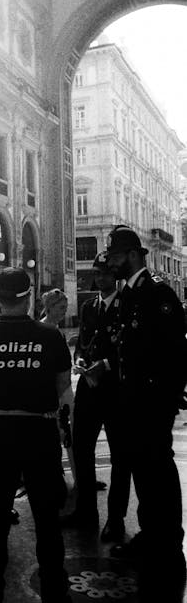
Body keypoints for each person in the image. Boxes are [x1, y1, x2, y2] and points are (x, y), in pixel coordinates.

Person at [0, 267, 72, 603]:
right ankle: (55, 589)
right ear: (29, 297)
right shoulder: (51, 337)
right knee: (46, 515)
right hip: (40, 432)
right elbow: (62, 388)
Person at [104, 225, 187, 602]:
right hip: (132, 404)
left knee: (159, 471)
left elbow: (174, 354)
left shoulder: (158, 294)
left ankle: (169, 545)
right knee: (142, 470)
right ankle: (150, 535)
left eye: (116, 256)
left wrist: (166, 401)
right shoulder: (130, 295)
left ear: (134, 255)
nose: (111, 262)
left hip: (152, 405)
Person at [61, 251, 131, 541]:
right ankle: (86, 511)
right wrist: (79, 360)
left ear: (115, 276)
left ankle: (115, 518)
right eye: (97, 273)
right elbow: (83, 343)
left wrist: (108, 365)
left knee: (121, 457)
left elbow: (133, 349)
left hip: (116, 392)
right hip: (89, 390)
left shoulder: (127, 306)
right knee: (81, 450)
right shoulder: (89, 307)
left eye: (105, 273)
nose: (100, 278)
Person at [40, 288, 77, 488]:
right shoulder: (46, 330)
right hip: (56, 390)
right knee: (61, 435)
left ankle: (76, 475)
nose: (64, 311)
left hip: (64, 388)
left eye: (65, 307)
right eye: (61, 308)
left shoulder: (55, 329)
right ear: (50, 307)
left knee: (69, 435)